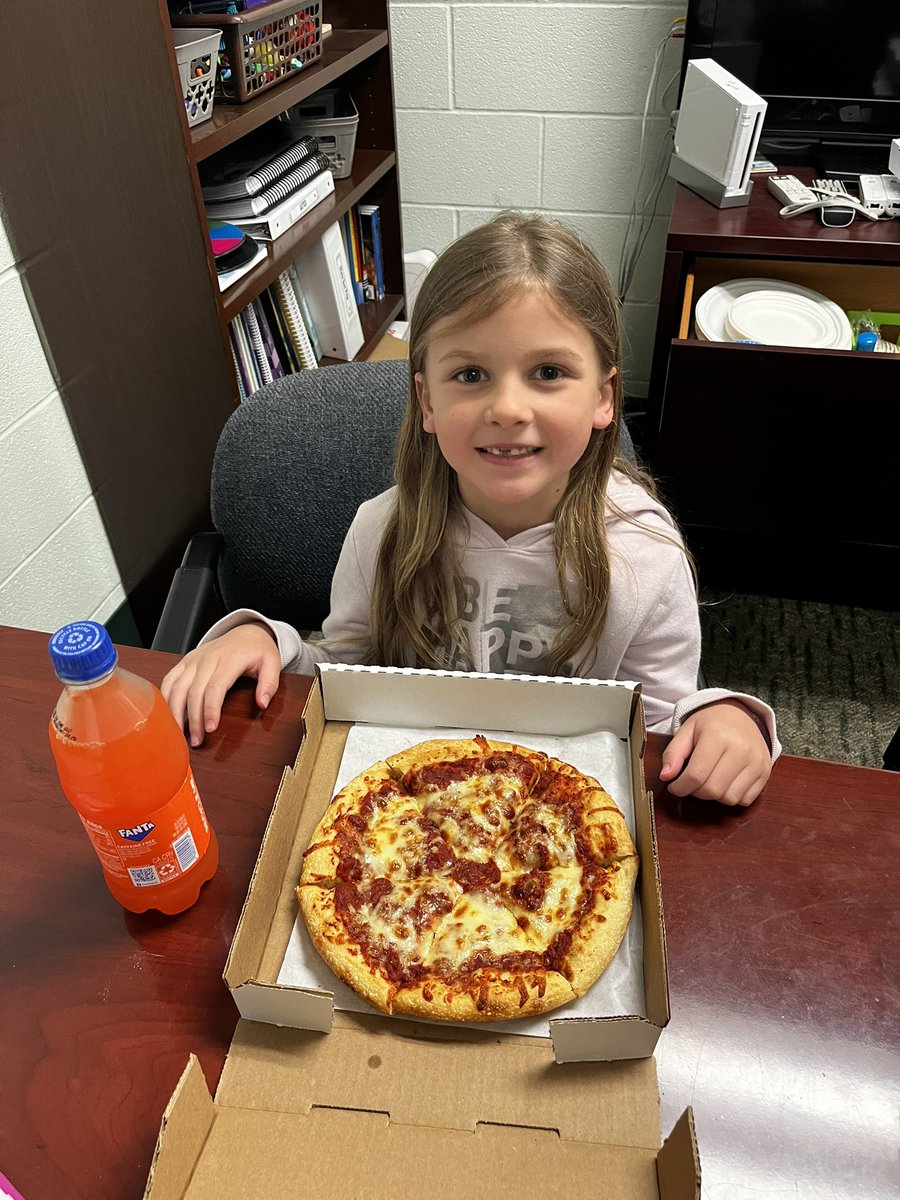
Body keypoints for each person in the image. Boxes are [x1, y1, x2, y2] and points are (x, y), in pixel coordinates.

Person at [162, 213, 779, 806]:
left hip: (565, 820)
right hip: (417, 813)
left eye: (548, 371)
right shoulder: (383, 531)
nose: (508, 407)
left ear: (604, 397)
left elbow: (665, 725)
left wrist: (726, 717)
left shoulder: (645, 552)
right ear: (426, 402)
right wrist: (266, 640)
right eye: (471, 374)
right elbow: (345, 670)